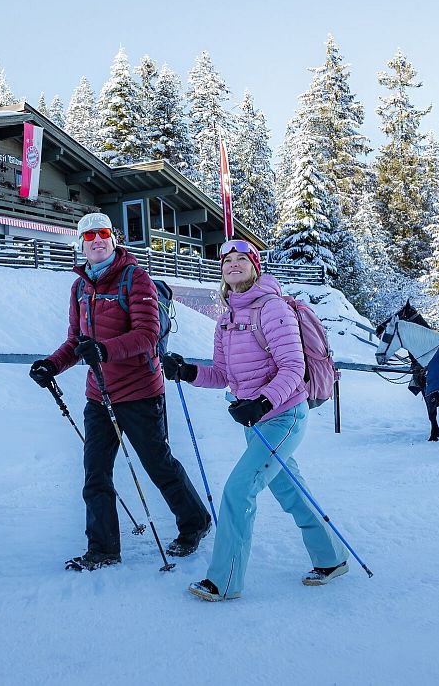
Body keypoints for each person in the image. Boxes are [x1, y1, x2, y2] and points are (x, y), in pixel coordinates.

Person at [162, 239, 348, 601]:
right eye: (227, 260)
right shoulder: (227, 318)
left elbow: (294, 368)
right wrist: (186, 371)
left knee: (238, 490)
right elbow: (221, 374)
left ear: (255, 266)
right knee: (290, 490)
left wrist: (262, 403)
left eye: (241, 259)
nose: (233, 264)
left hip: (284, 416)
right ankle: (332, 558)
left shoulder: (272, 308)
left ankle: (225, 581)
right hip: (257, 421)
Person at [29, 212, 211, 571]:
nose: (97, 240)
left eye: (104, 233)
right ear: (80, 243)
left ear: (114, 239)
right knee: (95, 473)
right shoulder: (80, 287)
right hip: (99, 394)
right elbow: (76, 341)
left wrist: (106, 350)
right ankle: (103, 549)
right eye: (89, 235)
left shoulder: (135, 278)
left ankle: (195, 522)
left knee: (158, 465)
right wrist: (51, 365)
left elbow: (146, 335)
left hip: (141, 391)